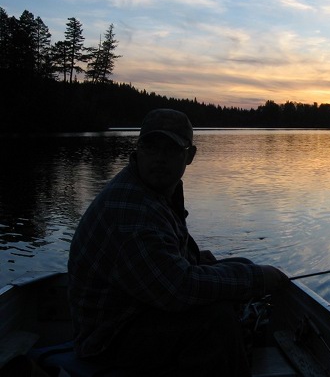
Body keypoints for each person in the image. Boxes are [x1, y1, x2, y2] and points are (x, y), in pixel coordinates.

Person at [68, 108, 287, 376]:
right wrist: (256, 279)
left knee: (238, 265)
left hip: (137, 311)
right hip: (108, 340)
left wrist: (194, 258)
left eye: (171, 149)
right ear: (138, 148)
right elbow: (177, 288)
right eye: (151, 147)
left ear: (189, 156)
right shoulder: (129, 207)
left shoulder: (156, 189)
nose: (159, 159)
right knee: (214, 320)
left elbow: (165, 258)